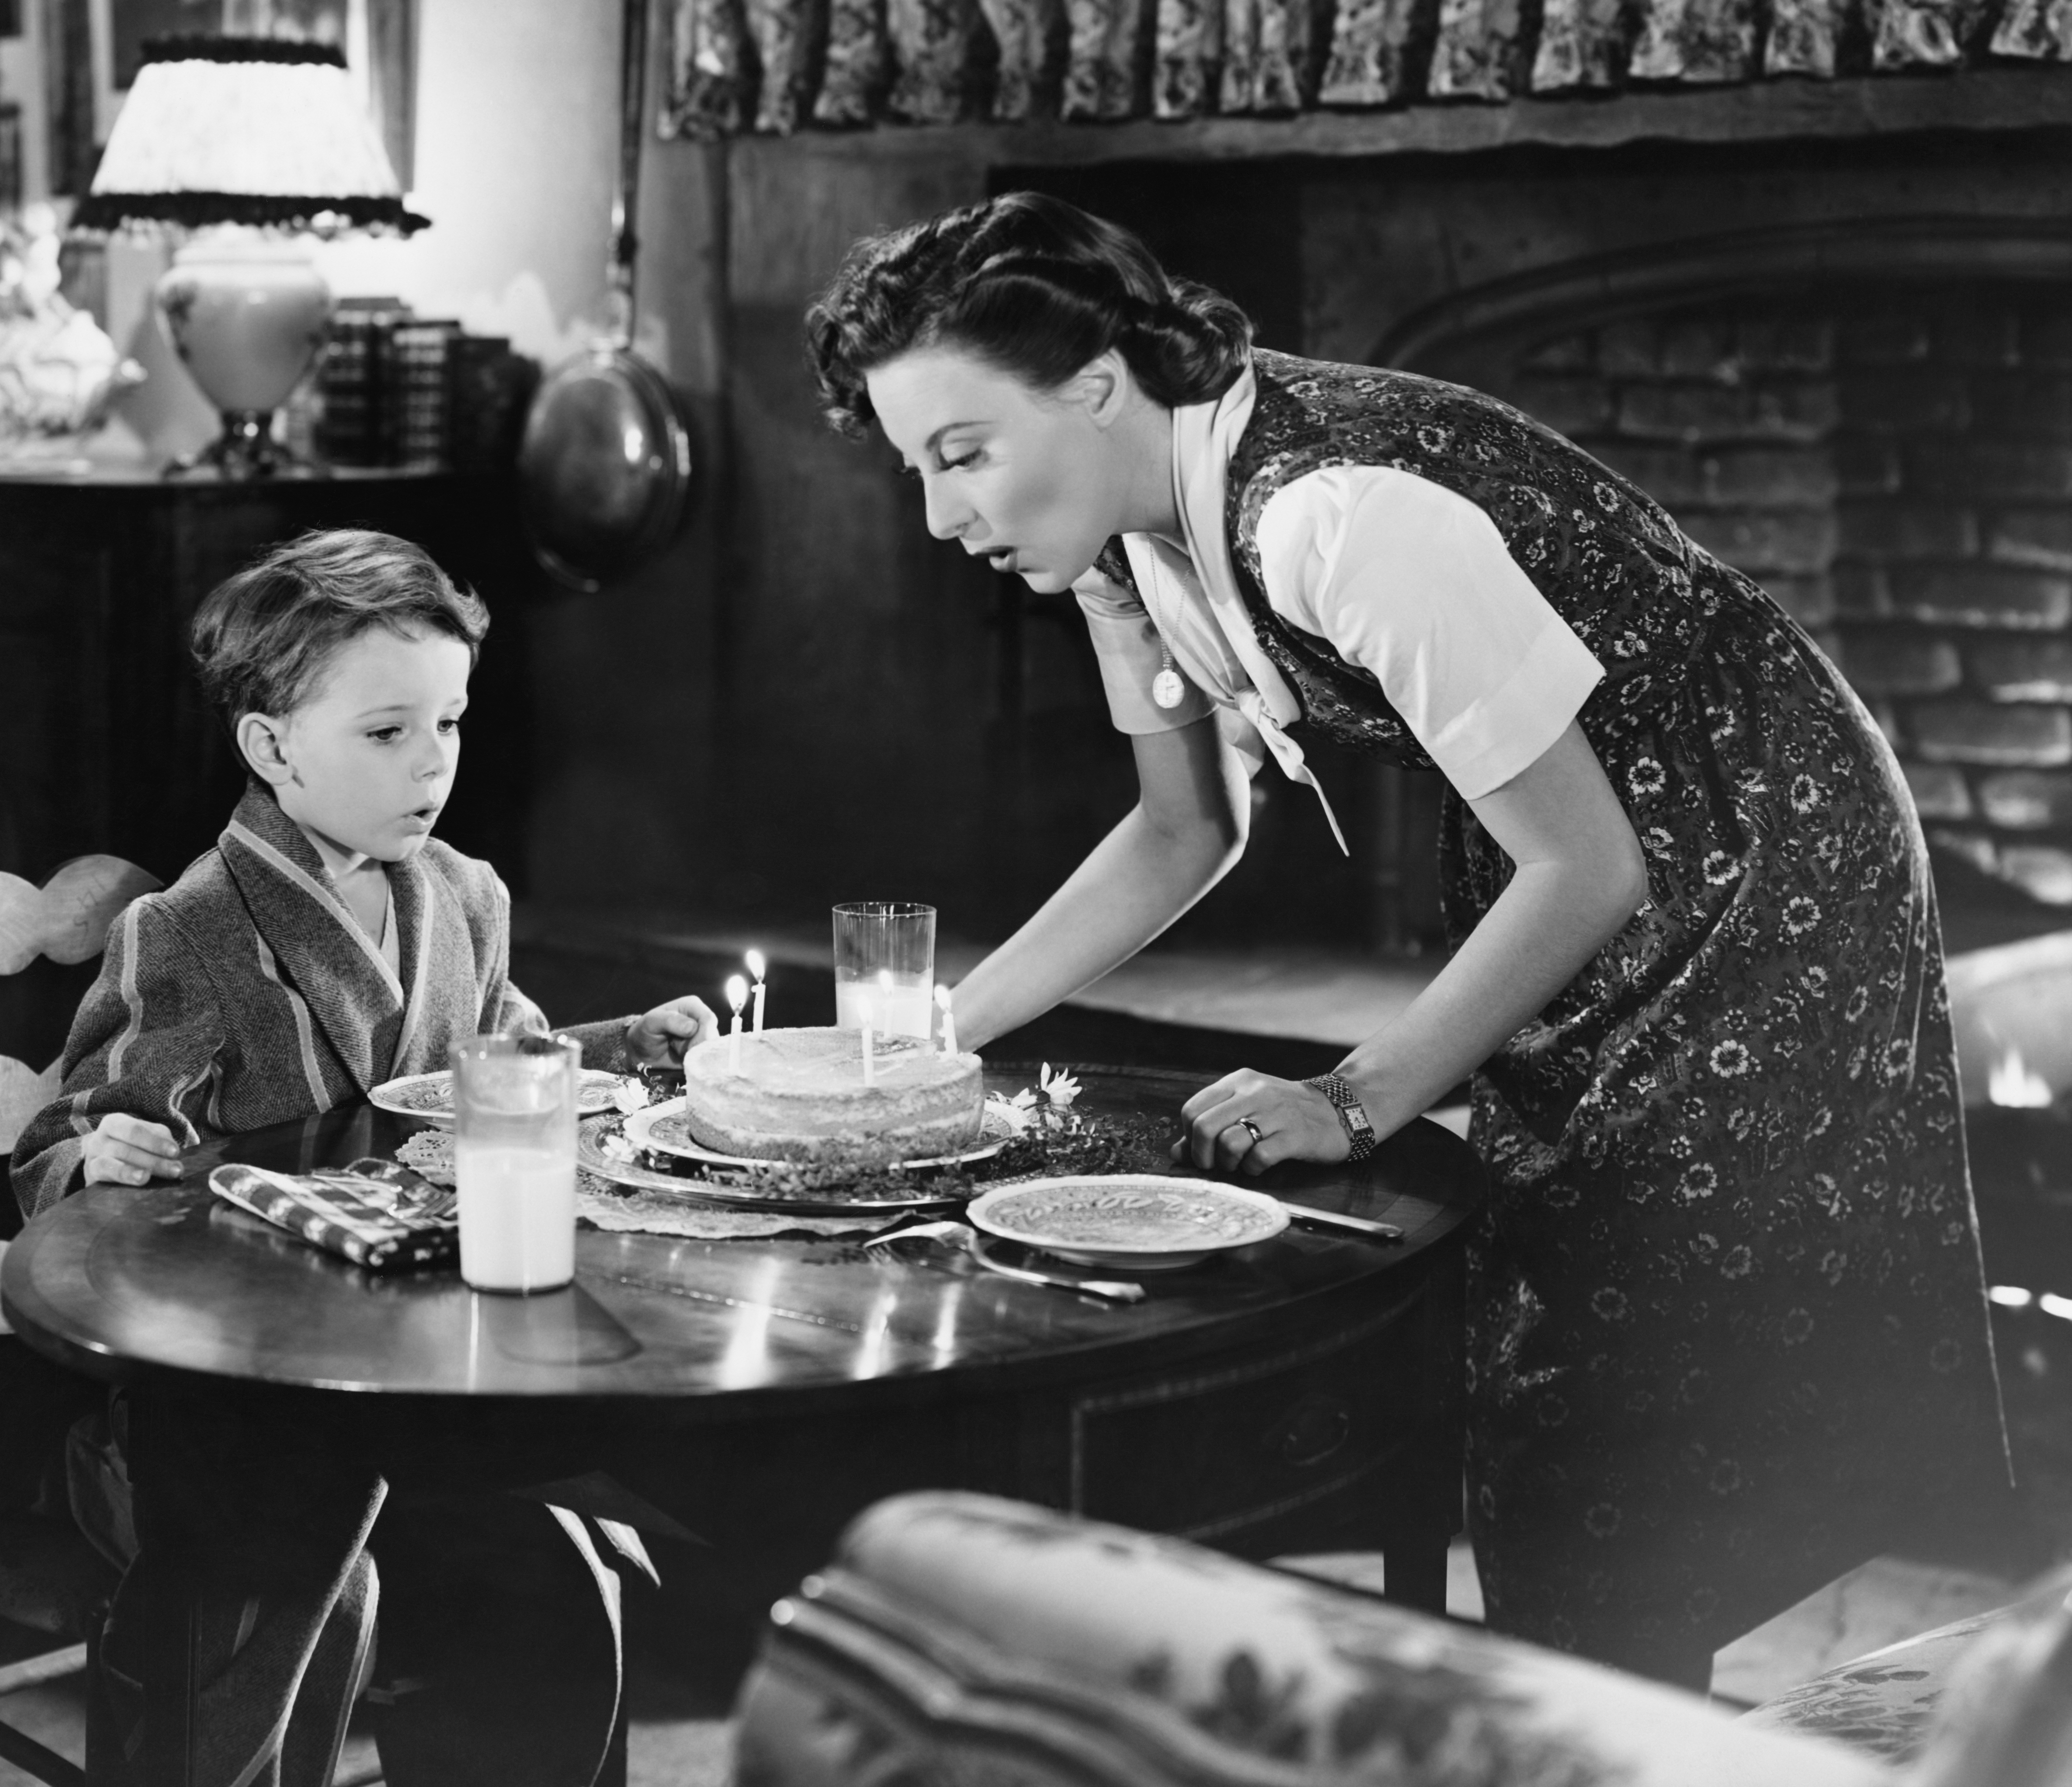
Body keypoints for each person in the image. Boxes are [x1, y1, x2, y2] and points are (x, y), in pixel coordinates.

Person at [803, 192, 2012, 1688]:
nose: (939, 516)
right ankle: (1595, 1709)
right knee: (1560, 1358)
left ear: (1097, 388)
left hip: (1754, 841)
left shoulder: (1335, 515)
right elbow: (1183, 832)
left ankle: (1613, 1721)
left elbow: (1583, 864)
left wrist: (1353, 1093)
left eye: (962, 453)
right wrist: (921, 1044)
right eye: (917, 466)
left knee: (1621, 1372)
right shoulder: (1118, 535)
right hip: (1583, 847)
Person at [0, 528, 716, 1785]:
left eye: (449, 722)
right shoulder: (191, 933)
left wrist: (624, 1049)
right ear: (271, 749)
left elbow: (505, 1068)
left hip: (425, 1380)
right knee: (284, 1554)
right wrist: (98, 1154)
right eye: (387, 733)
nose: (432, 762)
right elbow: (59, 1140)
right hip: (222, 1402)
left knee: (551, 1565)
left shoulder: (466, 898)